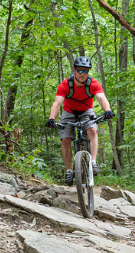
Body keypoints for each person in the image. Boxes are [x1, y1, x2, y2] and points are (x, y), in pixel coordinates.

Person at [45, 56, 115, 184]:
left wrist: (107, 110)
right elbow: (57, 103)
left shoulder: (93, 84)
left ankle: (93, 162)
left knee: (92, 131)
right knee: (66, 139)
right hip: (69, 111)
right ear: (74, 70)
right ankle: (69, 171)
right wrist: (52, 118)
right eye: (80, 70)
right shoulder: (65, 84)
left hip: (86, 110)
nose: (83, 74)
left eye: (85, 71)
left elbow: (101, 98)